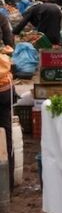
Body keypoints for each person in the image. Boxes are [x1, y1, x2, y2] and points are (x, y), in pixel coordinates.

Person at [0, 13, 15, 194]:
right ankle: (7, 184)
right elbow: (11, 43)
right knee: (6, 133)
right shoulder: (2, 18)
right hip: (3, 87)